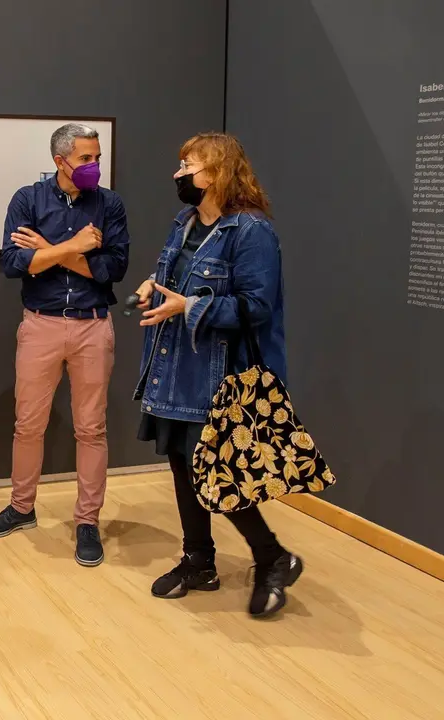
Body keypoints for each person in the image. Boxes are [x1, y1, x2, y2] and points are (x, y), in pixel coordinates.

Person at [133, 132, 302, 618]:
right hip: (176, 366)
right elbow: (173, 278)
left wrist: (190, 306)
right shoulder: (184, 223)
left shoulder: (252, 232)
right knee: (183, 467)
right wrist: (154, 285)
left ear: (217, 172)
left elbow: (257, 307)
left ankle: (273, 557)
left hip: (222, 374)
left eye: (189, 165)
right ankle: (199, 560)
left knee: (216, 473)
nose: (179, 174)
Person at [0, 123, 130, 567]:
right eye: (86, 158)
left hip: (92, 326)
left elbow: (113, 269)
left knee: (91, 428)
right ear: (60, 160)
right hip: (40, 324)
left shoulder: (110, 204)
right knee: (28, 424)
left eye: (97, 157)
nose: (94, 166)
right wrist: (76, 246)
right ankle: (22, 508)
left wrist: (50, 250)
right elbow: (13, 264)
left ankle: (87, 521)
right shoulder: (27, 199)